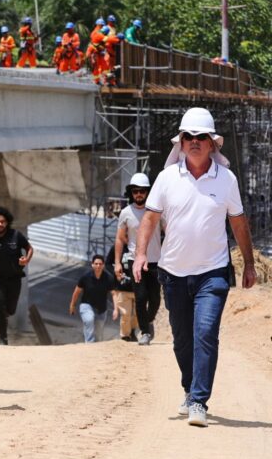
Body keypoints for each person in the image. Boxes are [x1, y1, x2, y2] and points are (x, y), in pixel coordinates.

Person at [133, 107, 257, 427]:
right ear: (182, 141)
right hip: (173, 273)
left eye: (201, 137)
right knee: (182, 340)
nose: (195, 142)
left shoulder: (227, 180)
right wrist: (141, 254)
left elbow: (239, 223)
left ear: (213, 142)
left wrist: (249, 264)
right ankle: (190, 390)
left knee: (205, 333)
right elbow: (149, 218)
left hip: (213, 272)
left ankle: (199, 400)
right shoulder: (166, 178)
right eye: (189, 136)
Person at [115, 173, 162, 346]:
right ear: (131, 193)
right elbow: (120, 239)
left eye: (142, 191)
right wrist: (118, 262)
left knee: (155, 299)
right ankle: (145, 332)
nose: (139, 194)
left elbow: (169, 231)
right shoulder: (126, 213)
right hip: (134, 261)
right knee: (141, 297)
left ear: (148, 192)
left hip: (156, 261)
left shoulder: (157, 211)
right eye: (135, 191)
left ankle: (147, 322)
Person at [0, 206, 33, 345]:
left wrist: (26, 259)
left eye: (2, 222)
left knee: (10, 310)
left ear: (7, 222)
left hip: (14, 278)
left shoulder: (16, 235)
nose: (0, 224)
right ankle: (3, 338)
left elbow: (29, 248)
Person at [70, 254, 115, 343]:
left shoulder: (108, 278)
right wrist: (72, 305)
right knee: (89, 319)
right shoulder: (85, 277)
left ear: (103, 265)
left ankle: (96, 349)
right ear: (92, 264)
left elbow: (114, 294)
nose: (98, 266)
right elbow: (77, 291)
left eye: (100, 264)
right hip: (86, 304)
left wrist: (116, 309)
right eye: (96, 263)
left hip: (101, 308)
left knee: (98, 333)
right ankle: (89, 345)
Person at [106, 245, 139, 342]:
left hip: (137, 287)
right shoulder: (117, 248)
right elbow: (108, 263)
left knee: (137, 313)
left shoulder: (139, 245)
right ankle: (125, 335)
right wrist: (116, 273)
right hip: (122, 287)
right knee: (125, 313)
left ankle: (132, 331)